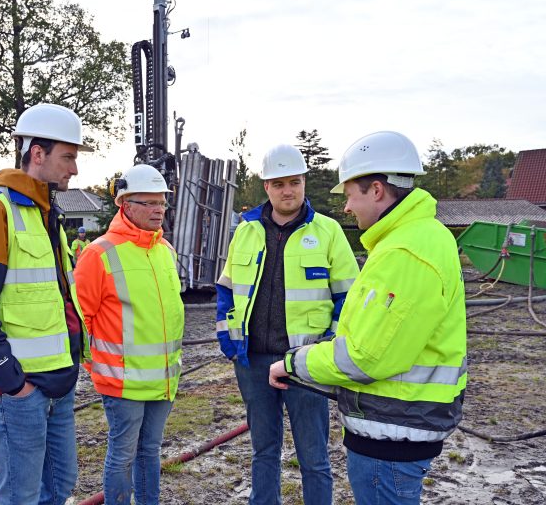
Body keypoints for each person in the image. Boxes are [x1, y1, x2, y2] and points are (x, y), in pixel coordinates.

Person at [269, 131, 467, 505]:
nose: (346, 207)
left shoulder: (405, 252)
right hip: (400, 423)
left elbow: (367, 356)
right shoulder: (418, 238)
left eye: (349, 195)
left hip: (392, 432)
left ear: (377, 190)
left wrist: (295, 362)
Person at [0, 103, 93, 505]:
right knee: (19, 498)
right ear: (37, 154)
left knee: (59, 488)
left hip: (56, 385)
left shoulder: (46, 215)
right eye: (68, 157)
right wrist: (14, 383)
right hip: (17, 391)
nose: (74, 169)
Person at [216, 144, 360, 505]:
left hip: (306, 362)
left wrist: (328, 348)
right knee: (263, 449)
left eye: (294, 182)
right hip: (254, 361)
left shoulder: (327, 232)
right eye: (278, 183)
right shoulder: (246, 231)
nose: (287, 191)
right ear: (266, 186)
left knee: (313, 456)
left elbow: (350, 297)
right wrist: (230, 344)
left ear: (304, 182)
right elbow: (226, 290)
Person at [74, 164, 184, 505]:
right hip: (121, 382)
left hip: (163, 379)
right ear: (126, 205)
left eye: (162, 202)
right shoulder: (98, 253)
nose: (158, 210)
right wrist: (98, 369)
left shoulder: (165, 251)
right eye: (149, 202)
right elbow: (80, 320)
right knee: (122, 455)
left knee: (150, 452)